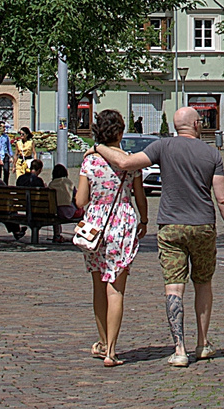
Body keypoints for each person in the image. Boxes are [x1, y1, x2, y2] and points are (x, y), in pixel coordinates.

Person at [93, 106, 224, 369]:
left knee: (174, 286)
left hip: (170, 226)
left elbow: (125, 163)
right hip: (203, 225)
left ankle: (179, 349)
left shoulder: (163, 147)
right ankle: (203, 343)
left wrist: (98, 147)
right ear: (196, 125)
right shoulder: (212, 153)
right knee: (203, 283)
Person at [75, 110, 148, 368]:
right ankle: (112, 352)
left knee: (98, 285)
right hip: (122, 221)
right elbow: (140, 197)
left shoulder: (90, 161)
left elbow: (80, 200)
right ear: (120, 132)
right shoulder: (129, 161)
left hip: (95, 224)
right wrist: (144, 220)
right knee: (115, 286)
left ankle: (103, 341)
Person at [49, 163, 77, 244]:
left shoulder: (52, 184)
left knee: (54, 213)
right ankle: (78, 234)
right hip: (70, 211)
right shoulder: (69, 183)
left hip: (56, 212)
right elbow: (75, 196)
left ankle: (57, 235)